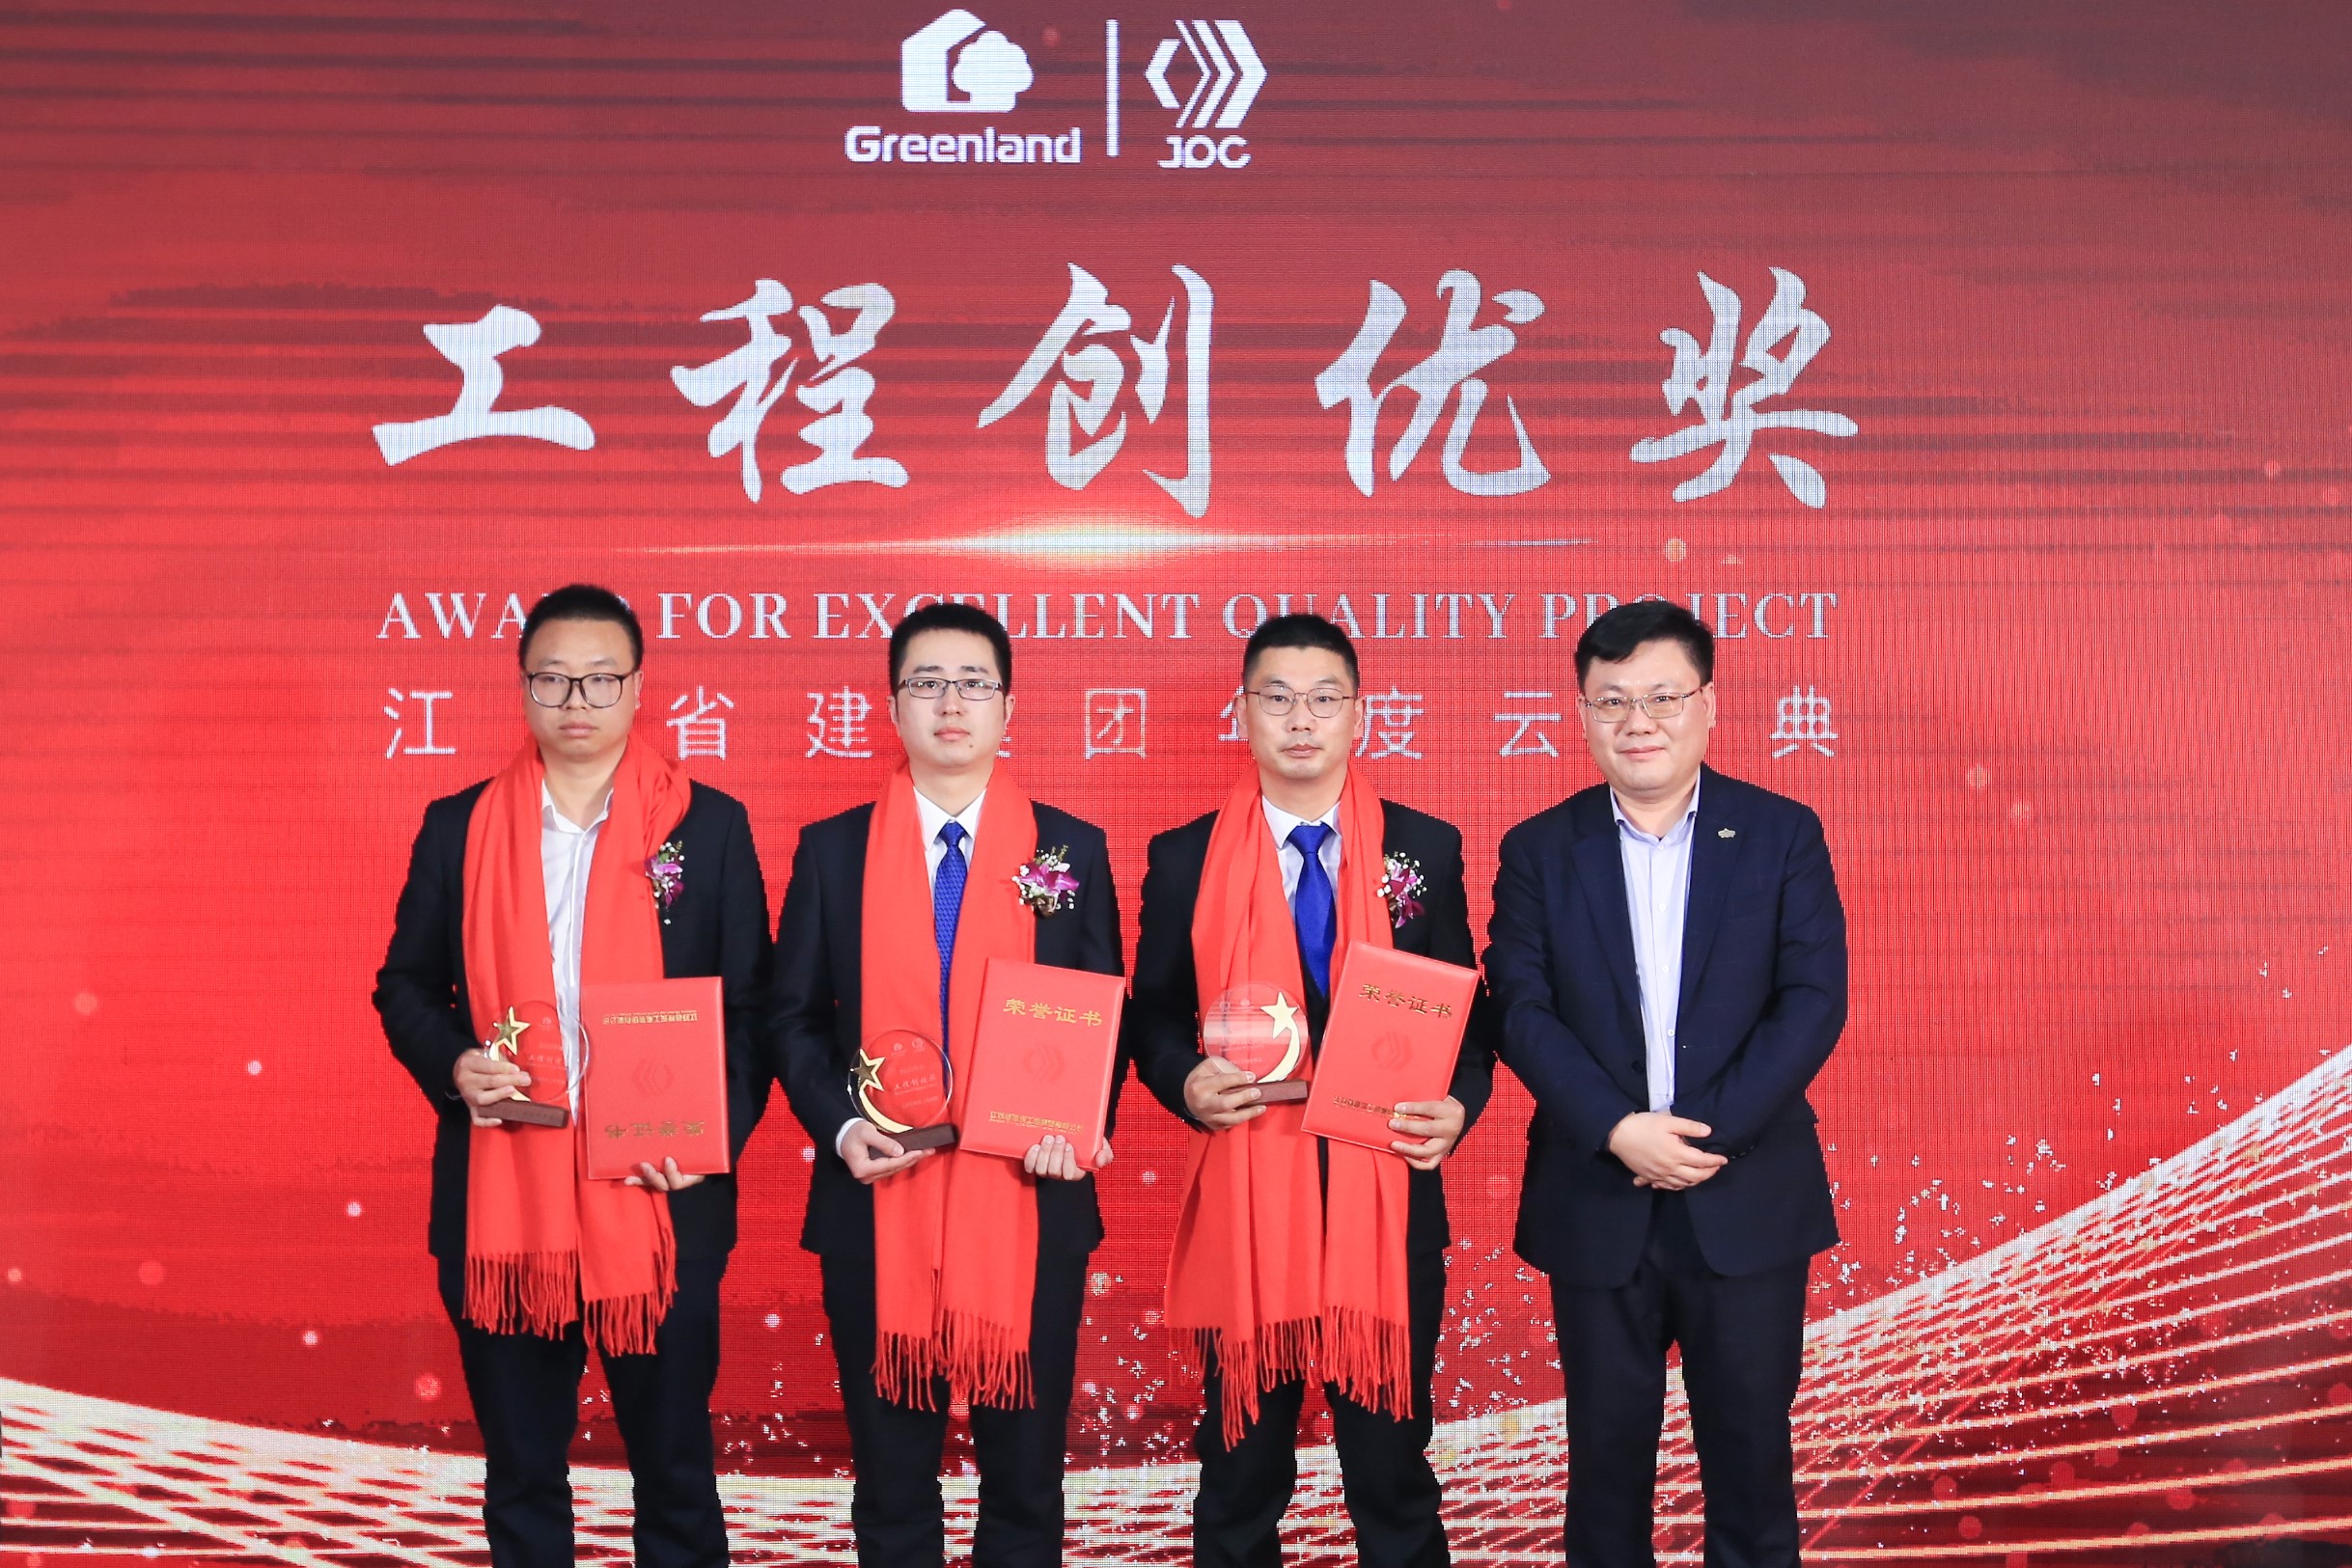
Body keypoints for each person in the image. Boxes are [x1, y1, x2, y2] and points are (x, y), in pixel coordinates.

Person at [374, 583, 774, 1568]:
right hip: (505, 1197)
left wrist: (706, 1138)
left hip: (662, 1194)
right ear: (523, 689)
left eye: (600, 677)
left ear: (638, 687)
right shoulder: (459, 826)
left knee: (674, 1470)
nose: (576, 698)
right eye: (553, 678)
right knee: (521, 1472)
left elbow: (751, 1010)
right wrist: (453, 1062)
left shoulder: (708, 827)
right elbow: (404, 985)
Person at [1124, 612, 1497, 1568]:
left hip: (1385, 1194)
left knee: (1390, 1468)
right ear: (1241, 711)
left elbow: (1469, 1014)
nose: (1301, 719)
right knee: (1241, 1468)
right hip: (1249, 1198)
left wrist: (1458, 1105)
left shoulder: (1423, 847)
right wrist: (1184, 1079)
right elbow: (1151, 1012)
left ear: (1359, 713)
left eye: (1324, 698)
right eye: (1277, 698)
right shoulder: (1184, 856)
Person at [1483, 598, 1847, 1568]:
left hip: (1745, 1196)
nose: (1636, 721)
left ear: (1707, 703)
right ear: (1582, 713)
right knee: (1604, 1480)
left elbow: (1812, 1001)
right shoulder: (1537, 850)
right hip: (1596, 1195)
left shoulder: (1780, 834)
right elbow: (1517, 1007)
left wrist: (1698, 1136)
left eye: (1660, 697)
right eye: (1611, 701)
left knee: (1751, 1473)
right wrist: (1616, 1127)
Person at [769, 601, 1123, 1568]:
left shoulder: (1070, 848)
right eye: (927, 683)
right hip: (874, 1198)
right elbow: (790, 1017)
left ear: (1009, 707)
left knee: (1025, 1481)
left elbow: (1105, 1012)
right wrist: (840, 1124)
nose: (951, 702)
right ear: (893, 707)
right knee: (891, 1482)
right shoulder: (833, 850)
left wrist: (1080, 1124)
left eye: (973, 683)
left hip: (1031, 1198)